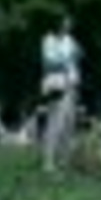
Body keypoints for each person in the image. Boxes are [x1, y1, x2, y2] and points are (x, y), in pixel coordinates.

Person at [40, 15, 82, 173]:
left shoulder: (70, 40)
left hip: (71, 84)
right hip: (56, 84)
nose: (68, 26)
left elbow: (78, 57)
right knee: (55, 123)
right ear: (58, 24)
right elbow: (48, 62)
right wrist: (66, 60)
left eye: (69, 24)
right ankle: (48, 161)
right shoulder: (48, 40)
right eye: (65, 23)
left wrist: (75, 57)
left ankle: (64, 159)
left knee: (69, 124)